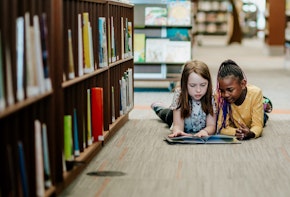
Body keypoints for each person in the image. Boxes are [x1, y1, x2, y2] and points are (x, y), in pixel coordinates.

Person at [151, 60, 216, 138]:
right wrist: (178, 131)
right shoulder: (179, 94)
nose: (198, 90)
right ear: (185, 84)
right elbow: (178, 125)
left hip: (198, 125)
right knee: (164, 114)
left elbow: (211, 125)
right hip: (173, 116)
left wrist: (205, 131)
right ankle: (158, 107)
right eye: (192, 85)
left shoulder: (212, 96)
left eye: (203, 85)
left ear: (208, 83)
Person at [216, 59, 271, 140]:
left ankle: (264, 104)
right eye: (222, 91)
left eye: (230, 90)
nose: (225, 94)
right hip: (238, 122)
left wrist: (250, 133)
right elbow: (221, 127)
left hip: (252, 112)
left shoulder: (256, 92)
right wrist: (239, 132)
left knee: (263, 118)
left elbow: (257, 126)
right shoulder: (221, 96)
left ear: (242, 84)